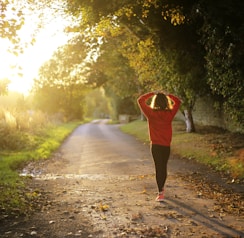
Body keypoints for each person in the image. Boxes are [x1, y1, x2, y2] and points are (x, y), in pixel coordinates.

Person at [137, 91, 181, 202]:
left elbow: (140, 100)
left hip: (155, 145)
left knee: (158, 167)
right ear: (166, 102)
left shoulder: (151, 113)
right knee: (163, 167)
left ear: (155, 101)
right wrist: (168, 95)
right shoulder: (169, 114)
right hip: (166, 145)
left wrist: (152, 93)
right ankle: (161, 190)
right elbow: (178, 101)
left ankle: (160, 192)